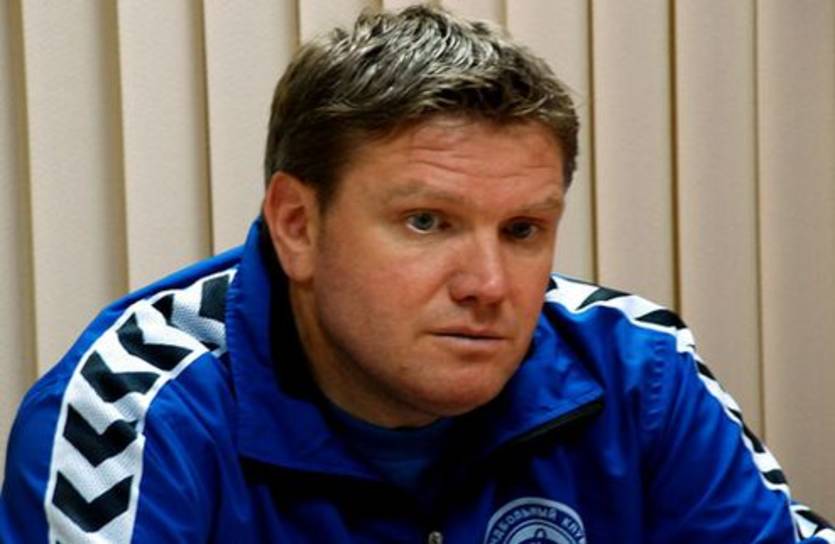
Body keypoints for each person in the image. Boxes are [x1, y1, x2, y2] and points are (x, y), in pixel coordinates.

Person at [0, 5, 832, 543]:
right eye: (426, 222)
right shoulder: (130, 412)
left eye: (522, 230)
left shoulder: (633, 366)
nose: (487, 284)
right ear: (297, 226)